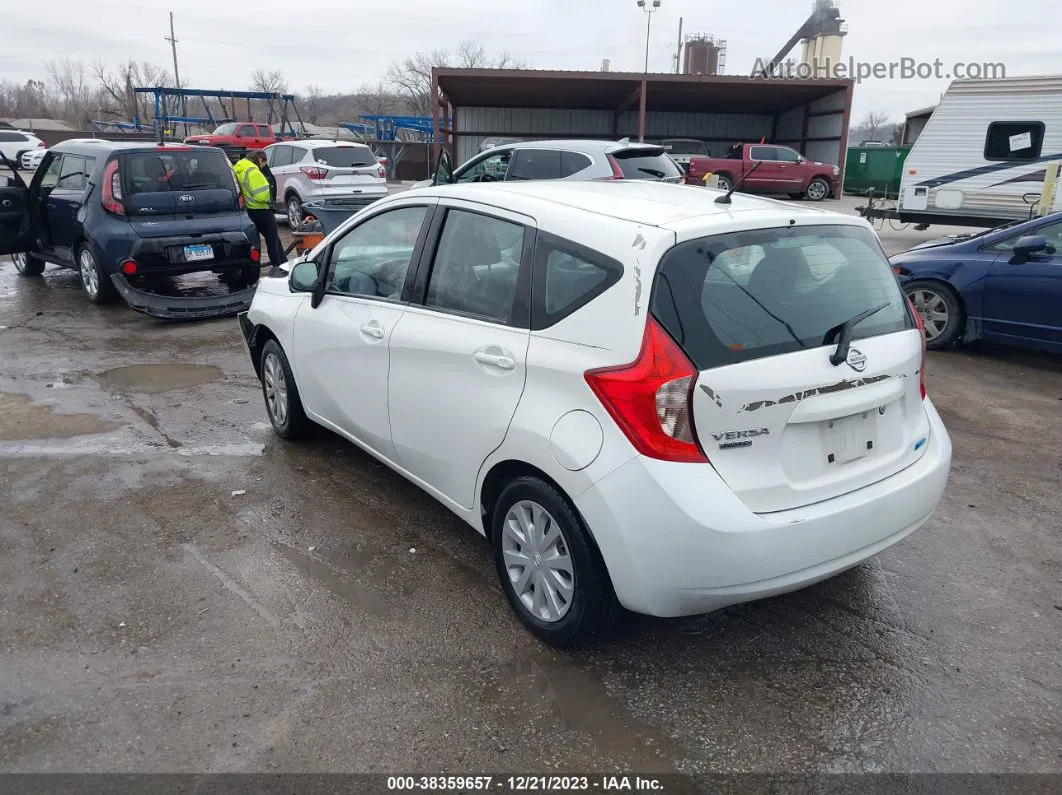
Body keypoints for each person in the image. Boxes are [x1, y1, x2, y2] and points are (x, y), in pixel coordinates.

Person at [233, 150, 286, 273]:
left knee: (266, 240)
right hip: (262, 210)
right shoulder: (253, 171)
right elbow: (261, 195)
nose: (264, 167)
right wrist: (269, 199)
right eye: (264, 163)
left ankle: (284, 263)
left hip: (248, 211)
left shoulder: (238, 168)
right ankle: (278, 268)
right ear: (260, 160)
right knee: (272, 240)